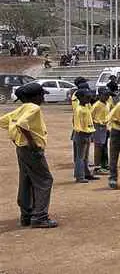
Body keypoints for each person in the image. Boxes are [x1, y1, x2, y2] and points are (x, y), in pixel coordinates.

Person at [0, 82, 57, 228]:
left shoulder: (21, 108)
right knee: (45, 180)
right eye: (42, 95)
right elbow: (21, 124)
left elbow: (5, 122)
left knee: (26, 180)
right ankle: (40, 217)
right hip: (31, 150)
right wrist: (31, 142)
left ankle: (26, 215)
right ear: (36, 96)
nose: (43, 98)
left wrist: (16, 139)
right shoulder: (34, 107)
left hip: (21, 149)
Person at [72, 91, 96, 183]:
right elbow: (77, 125)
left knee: (85, 156)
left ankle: (87, 173)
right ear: (81, 98)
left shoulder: (86, 107)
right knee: (80, 157)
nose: (89, 99)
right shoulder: (79, 109)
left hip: (88, 133)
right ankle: (79, 176)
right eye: (87, 97)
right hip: (82, 134)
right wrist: (83, 133)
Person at [91, 87, 111, 174]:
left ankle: (104, 164)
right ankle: (97, 167)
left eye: (108, 95)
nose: (107, 97)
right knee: (98, 147)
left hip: (105, 127)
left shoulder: (107, 103)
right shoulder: (96, 105)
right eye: (105, 95)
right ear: (99, 95)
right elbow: (91, 117)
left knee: (104, 146)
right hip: (98, 126)